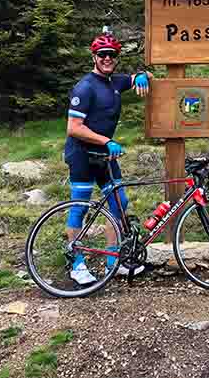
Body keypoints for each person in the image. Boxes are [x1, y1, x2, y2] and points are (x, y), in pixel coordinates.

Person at [64, 30, 153, 285]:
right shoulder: (85, 87)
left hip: (104, 155)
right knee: (80, 206)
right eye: (102, 54)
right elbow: (74, 127)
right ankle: (76, 263)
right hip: (81, 153)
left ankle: (114, 261)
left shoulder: (114, 82)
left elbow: (140, 77)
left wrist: (142, 76)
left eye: (112, 55)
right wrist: (107, 141)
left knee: (118, 203)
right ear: (94, 56)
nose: (107, 58)